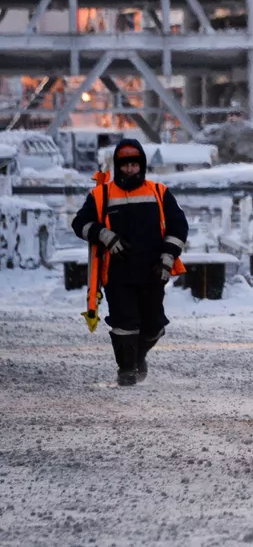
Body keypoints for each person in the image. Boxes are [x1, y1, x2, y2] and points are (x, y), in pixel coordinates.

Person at [71, 139, 188, 386]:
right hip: (117, 273)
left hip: (154, 271)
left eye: (135, 165)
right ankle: (126, 370)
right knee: (124, 323)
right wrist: (104, 235)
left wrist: (167, 258)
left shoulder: (159, 192)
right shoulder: (101, 194)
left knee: (154, 325)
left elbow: (179, 226)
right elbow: (80, 223)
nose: (130, 170)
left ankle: (139, 355)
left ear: (142, 165)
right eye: (125, 165)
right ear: (117, 166)